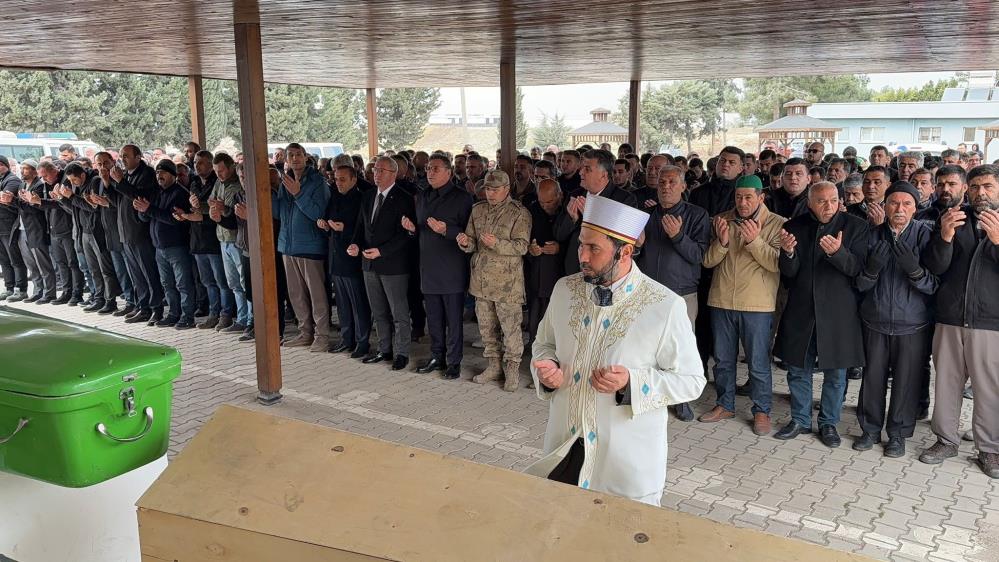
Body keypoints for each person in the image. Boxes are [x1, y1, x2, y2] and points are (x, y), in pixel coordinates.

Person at [528, 194, 705, 506]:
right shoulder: (565, 290)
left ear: (625, 252)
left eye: (593, 248)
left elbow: (692, 381)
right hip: (565, 446)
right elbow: (543, 344)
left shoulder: (664, 306)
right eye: (581, 244)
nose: (582, 255)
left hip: (624, 461)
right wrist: (547, 370)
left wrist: (631, 384)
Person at [775, 182, 869, 447]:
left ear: (840, 200)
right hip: (802, 309)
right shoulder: (794, 226)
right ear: (810, 203)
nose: (829, 206)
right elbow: (788, 275)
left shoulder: (856, 227)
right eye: (821, 201)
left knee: (836, 374)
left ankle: (828, 423)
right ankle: (800, 420)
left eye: (833, 200)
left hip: (839, 312)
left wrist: (837, 253)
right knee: (797, 369)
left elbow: (858, 270)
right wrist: (788, 252)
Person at [920, 164, 999, 478]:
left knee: (989, 388)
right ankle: (945, 439)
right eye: (976, 187)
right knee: (947, 383)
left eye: (988, 187)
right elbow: (936, 267)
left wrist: (996, 239)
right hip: (950, 318)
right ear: (967, 189)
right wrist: (945, 235)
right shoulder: (956, 217)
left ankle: (990, 448)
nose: (981, 193)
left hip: (991, 323)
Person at [853, 181, 937, 457]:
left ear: (915, 207)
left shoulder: (926, 236)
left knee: (907, 381)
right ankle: (870, 429)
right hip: (874, 321)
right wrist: (871, 271)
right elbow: (859, 286)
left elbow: (935, 285)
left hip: (912, 323)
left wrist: (915, 271)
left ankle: (898, 434)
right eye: (894, 203)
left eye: (907, 204)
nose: (899, 209)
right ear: (884, 205)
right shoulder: (870, 235)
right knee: (873, 378)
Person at [699, 175, 784, 435]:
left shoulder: (776, 224)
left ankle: (761, 411)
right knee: (723, 360)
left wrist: (754, 240)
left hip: (757, 306)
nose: (743, 202)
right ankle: (725, 404)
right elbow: (707, 262)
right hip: (721, 300)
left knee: (758, 362)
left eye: (749, 197)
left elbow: (776, 264)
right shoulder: (722, 220)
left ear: (761, 197)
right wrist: (722, 242)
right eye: (739, 197)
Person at [636, 166, 710, 421]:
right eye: (661, 182)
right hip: (647, 292)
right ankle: (647, 393)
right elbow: (633, 254)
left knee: (681, 347)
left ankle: (682, 400)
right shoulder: (645, 214)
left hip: (682, 293)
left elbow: (700, 256)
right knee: (645, 345)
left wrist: (678, 236)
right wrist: (637, 247)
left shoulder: (697, 215)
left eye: (671, 182)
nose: (665, 186)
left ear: (682, 187)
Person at [459, 170, 531, 391]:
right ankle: (493, 365)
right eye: (487, 189)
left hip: (507, 284)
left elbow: (522, 246)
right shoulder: (478, 210)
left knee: (510, 329)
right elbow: (472, 242)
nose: (490, 193)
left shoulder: (519, 213)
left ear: (507, 189)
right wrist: (465, 242)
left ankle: (511, 368)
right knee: (487, 328)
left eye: (495, 189)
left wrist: (497, 243)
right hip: (481, 281)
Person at [404, 154, 473, 380]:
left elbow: (470, 235)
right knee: (433, 317)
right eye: (427, 169)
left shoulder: (462, 198)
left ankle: (453, 361)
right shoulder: (423, 195)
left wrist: (447, 230)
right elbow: (421, 229)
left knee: (453, 319)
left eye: (435, 169)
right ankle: (436, 356)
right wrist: (412, 228)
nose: (429, 173)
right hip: (428, 267)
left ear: (448, 172)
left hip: (451, 267)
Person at [349, 156, 415, 370]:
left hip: (393, 265)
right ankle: (384, 349)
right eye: (375, 169)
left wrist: (382, 251)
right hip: (369, 263)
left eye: (381, 170)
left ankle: (402, 352)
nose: (376, 174)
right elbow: (360, 227)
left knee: (398, 312)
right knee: (378, 311)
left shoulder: (404, 198)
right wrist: (355, 245)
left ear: (393, 174)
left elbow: (406, 235)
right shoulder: (368, 196)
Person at [273, 144, 331, 352]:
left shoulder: (317, 182)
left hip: (311, 246)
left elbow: (319, 213)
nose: (295, 158)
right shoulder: (285, 181)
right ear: (286, 159)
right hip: (287, 246)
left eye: (299, 155)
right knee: (296, 295)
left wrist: (299, 194)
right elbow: (280, 213)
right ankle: (305, 332)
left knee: (316, 295)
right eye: (291, 155)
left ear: (306, 157)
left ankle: (322, 336)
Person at [134, 159, 196, 329]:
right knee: (167, 284)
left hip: (177, 247)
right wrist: (142, 210)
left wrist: (149, 210)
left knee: (183, 284)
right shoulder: (157, 193)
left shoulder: (180, 193)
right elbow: (147, 217)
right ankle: (173, 314)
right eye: (157, 173)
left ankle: (187, 316)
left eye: (163, 173)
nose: (159, 176)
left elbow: (173, 219)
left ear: (173, 175)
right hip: (159, 248)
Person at [554, 149, 636, 275]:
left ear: (603, 174)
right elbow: (559, 235)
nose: (580, 172)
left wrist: (594, 215)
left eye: (587, 169)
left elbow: (622, 242)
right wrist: (573, 219)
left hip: (605, 271)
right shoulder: (575, 195)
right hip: (574, 269)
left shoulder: (624, 199)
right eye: (581, 168)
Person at [107, 144, 163, 325]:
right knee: (136, 274)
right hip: (126, 231)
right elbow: (118, 199)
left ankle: (156, 308)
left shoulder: (146, 174)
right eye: (121, 156)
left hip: (140, 232)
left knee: (148, 272)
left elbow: (140, 197)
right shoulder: (127, 175)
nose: (122, 159)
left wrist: (121, 182)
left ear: (138, 157)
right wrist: (110, 183)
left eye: (126, 156)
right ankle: (143, 306)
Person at [320, 165, 371, 357]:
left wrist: (345, 229)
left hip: (352, 259)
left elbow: (364, 229)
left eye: (342, 179)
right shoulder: (334, 196)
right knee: (342, 304)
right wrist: (325, 225)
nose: (338, 183)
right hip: (335, 257)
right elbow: (328, 217)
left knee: (358, 304)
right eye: (336, 179)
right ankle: (346, 339)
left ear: (354, 180)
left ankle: (362, 341)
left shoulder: (361, 199)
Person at [62, 163, 121, 313]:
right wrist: (63, 199)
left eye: (74, 180)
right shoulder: (76, 186)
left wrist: (72, 197)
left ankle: (110, 301)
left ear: (82, 175)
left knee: (105, 269)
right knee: (93, 269)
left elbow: (93, 207)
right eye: (71, 181)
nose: (73, 183)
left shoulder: (94, 181)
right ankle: (98, 298)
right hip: (84, 232)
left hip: (97, 231)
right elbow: (75, 208)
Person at [185, 150, 235, 330]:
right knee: (207, 281)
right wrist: (192, 209)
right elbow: (199, 208)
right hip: (198, 240)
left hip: (215, 238)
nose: (197, 166)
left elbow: (217, 208)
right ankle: (213, 314)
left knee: (223, 281)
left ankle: (226, 314)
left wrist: (200, 209)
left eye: (201, 162)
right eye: (195, 163)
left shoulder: (217, 182)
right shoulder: (194, 183)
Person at [525, 179, 565, 348]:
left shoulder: (568, 210)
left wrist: (559, 248)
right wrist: (531, 249)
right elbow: (524, 238)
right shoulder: (533, 210)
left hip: (561, 270)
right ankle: (534, 344)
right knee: (536, 307)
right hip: (538, 269)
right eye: (541, 202)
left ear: (560, 196)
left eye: (549, 202)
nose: (545, 206)